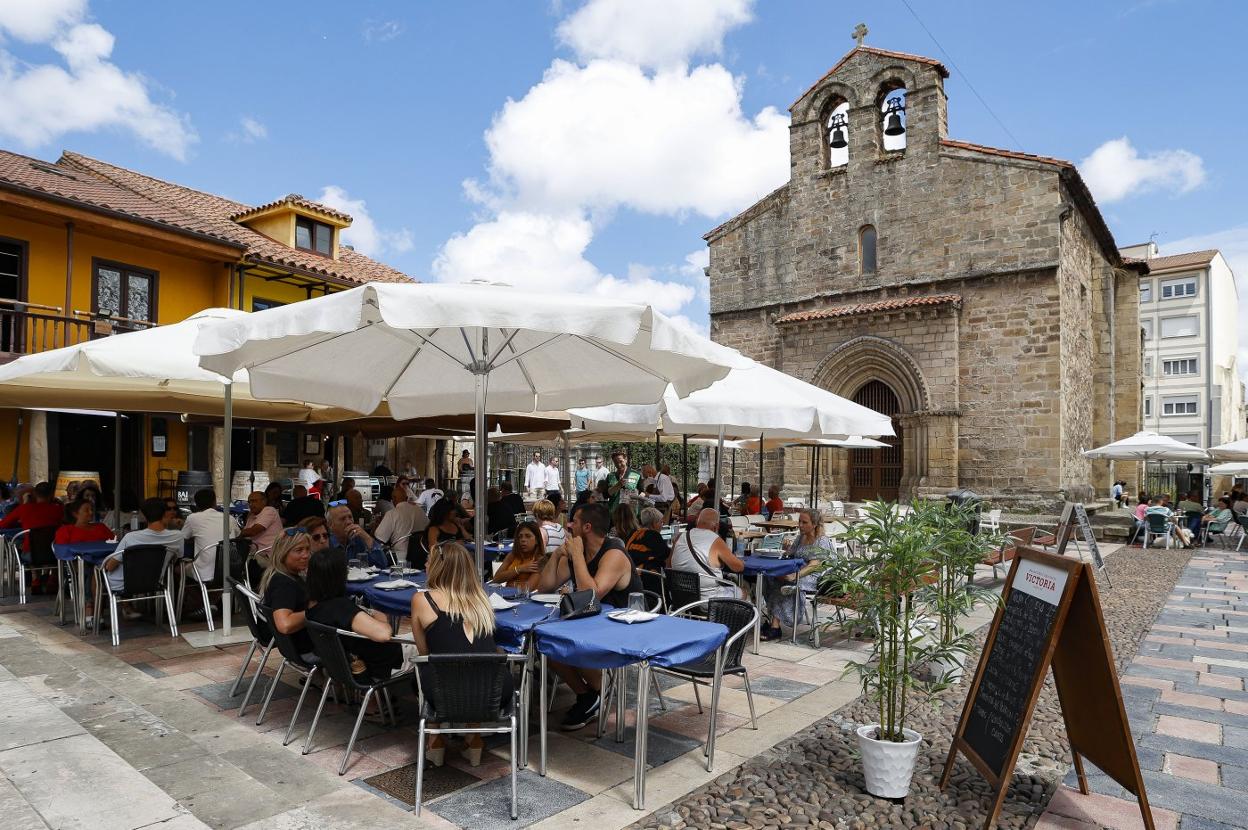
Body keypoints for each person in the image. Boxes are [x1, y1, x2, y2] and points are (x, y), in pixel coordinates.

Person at [539, 501, 641, 730]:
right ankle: (589, 694)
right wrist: (556, 556)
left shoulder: (614, 552)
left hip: (623, 625)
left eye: (573, 521)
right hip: (591, 623)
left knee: (566, 642)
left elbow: (591, 595)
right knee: (546, 644)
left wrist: (576, 557)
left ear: (586, 527)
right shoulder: (580, 552)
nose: (568, 526)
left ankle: (600, 688)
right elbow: (545, 587)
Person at [409, 541, 512, 766]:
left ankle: (435, 740)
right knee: (474, 666)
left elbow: (425, 654)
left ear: (438, 566)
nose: (425, 563)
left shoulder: (422, 600)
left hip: (445, 693)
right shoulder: (482, 600)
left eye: (429, 560)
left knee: (428, 669)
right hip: (493, 692)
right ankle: (473, 738)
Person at [305, 547, 402, 681]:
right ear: (340, 576)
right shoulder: (340, 607)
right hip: (385, 664)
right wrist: (381, 617)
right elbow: (384, 635)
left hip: (347, 665)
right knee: (428, 644)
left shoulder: (312, 605)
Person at [761, 508, 835, 641]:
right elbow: (791, 554)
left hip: (816, 576)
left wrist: (795, 576)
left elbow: (815, 565)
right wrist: (786, 550)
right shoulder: (801, 537)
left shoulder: (821, 540)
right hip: (800, 571)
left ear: (814, 524)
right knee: (770, 578)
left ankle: (775, 627)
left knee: (785, 583)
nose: (800, 525)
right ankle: (772, 618)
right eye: (799, 521)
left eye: (804, 522)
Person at [105, 498, 183, 608]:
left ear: (144, 516)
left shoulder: (131, 537)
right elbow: (176, 559)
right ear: (165, 513)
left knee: (97, 572)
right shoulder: (178, 536)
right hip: (155, 582)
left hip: (124, 584)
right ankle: (128, 608)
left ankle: (98, 615)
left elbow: (110, 566)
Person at [259, 528, 315, 661]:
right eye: (299, 550)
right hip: (308, 649)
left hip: (295, 647)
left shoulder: (280, 575)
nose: (306, 555)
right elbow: (285, 624)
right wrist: (316, 610)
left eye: (307, 549)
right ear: (283, 553)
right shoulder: (284, 584)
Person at [669, 508, 744, 600]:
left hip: (681, 598)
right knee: (742, 592)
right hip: (708, 600)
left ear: (697, 522)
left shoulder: (680, 537)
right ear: (716, 526)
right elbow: (738, 567)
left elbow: (669, 564)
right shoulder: (715, 540)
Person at [182, 488, 238, 584]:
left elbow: (182, 539)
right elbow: (238, 537)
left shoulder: (193, 518)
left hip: (204, 573)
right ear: (214, 502)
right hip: (231, 571)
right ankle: (213, 597)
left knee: (178, 569)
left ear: (196, 504)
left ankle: (194, 598)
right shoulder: (229, 518)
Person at [373, 481, 430, 564]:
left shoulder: (392, 514)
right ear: (407, 498)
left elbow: (379, 538)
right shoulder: (420, 510)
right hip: (422, 556)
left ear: (393, 499)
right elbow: (429, 528)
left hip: (399, 558)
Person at [326, 502, 386, 567]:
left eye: (350, 517)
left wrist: (367, 538)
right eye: (342, 519)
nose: (349, 522)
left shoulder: (358, 538)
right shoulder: (325, 542)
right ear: (330, 525)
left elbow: (382, 564)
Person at [416, 497, 468, 570]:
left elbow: (468, 538)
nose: (455, 512)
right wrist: (453, 545)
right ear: (445, 512)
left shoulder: (455, 525)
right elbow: (433, 549)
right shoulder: (434, 529)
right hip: (442, 562)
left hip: (457, 558)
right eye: (452, 510)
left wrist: (460, 526)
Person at [494, 520, 545, 591]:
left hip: (524, 600)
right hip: (506, 597)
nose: (523, 540)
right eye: (520, 537)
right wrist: (519, 569)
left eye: (528, 536)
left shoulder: (539, 560)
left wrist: (509, 582)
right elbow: (496, 579)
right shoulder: (513, 555)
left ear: (536, 540)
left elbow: (526, 589)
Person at [240, 490, 282, 566]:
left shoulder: (269, 510)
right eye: (249, 502)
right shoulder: (252, 515)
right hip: (256, 553)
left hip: (269, 555)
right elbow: (245, 534)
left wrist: (239, 533)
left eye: (254, 501)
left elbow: (252, 531)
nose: (251, 504)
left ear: (264, 501)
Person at [626, 507, 670, 572]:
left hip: (630, 573)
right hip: (648, 575)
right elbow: (667, 556)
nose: (662, 525)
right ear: (654, 524)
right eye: (661, 522)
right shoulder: (654, 535)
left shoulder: (634, 533)